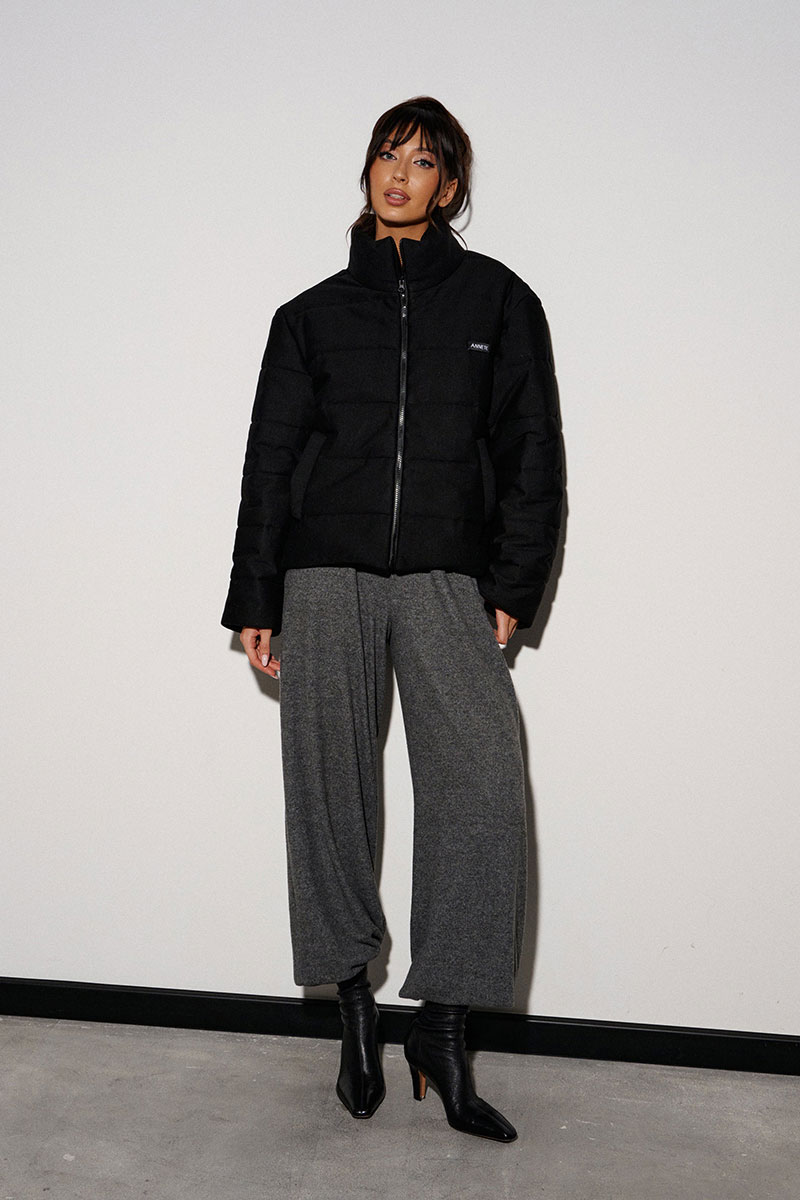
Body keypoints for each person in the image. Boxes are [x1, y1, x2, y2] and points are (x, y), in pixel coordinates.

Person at [221, 96, 564, 1143]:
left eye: (422, 161)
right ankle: (355, 1011)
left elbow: (532, 453)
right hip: (323, 573)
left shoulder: (499, 301)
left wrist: (513, 584)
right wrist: (256, 597)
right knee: (328, 792)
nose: (400, 173)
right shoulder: (310, 316)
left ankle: (443, 1029)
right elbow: (270, 463)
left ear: (449, 186)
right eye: (386, 154)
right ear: (368, 170)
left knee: (483, 788)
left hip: (446, 575)